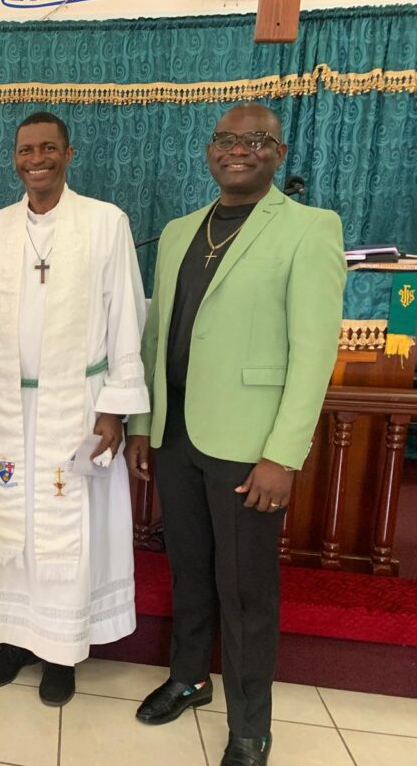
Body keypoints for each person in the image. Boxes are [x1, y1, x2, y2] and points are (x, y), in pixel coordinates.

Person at [126, 103, 346, 766]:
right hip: (177, 436)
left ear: (279, 153)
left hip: (250, 447)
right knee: (190, 570)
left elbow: (313, 352)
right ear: (209, 151)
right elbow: (157, 336)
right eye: (226, 139)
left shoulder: (310, 228)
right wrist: (144, 424)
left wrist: (283, 456)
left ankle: (251, 726)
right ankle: (190, 678)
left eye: (256, 140)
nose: (238, 149)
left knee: (247, 589)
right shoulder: (178, 232)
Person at [0, 112, 149, 707]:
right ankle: (14, 639)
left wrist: (115, 407)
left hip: (78, 402)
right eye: (26, 149)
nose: (36, 158)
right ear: (14, 158)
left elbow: (126, 315)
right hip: (8, 401)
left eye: (48, 148)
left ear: (69, 155)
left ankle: (62, 651)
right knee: (12, 520)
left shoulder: (104, 222)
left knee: (68, 524)